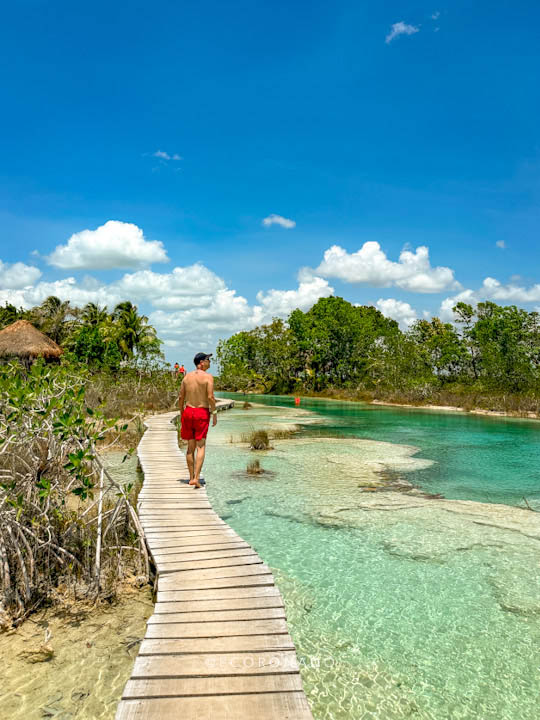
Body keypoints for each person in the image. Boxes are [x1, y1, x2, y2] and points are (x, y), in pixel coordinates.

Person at [178, 352, 217, 488]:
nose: (210, 363)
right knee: (200, 446)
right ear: (201, 362)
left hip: (188, 412)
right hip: (201, 412)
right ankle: (196, 478)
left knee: (190, 447)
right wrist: (215, 412)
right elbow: (211, 397)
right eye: (208, 360)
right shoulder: (208, 377)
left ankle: (190, 478)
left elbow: (181, 398)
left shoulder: (186, 378)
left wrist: (182, 413)